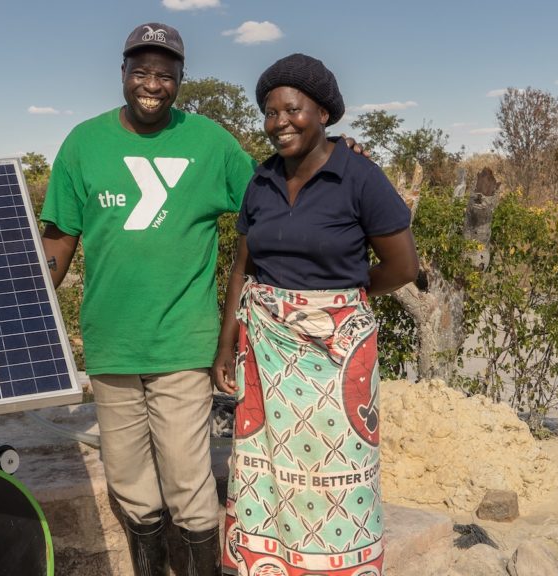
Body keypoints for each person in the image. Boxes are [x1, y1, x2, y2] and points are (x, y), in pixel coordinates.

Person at [41, 24, 365, 575]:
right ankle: (149, 561)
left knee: (188, 479)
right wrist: (22, 300)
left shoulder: (209, 142)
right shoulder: (83, 143)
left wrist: (336, 154)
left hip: (182, 340)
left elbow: (274, 191)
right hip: (110, 341)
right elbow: (61, 237)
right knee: (128, 480)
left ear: (180, 82)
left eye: (165, 76)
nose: (152, 85)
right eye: (140, 72)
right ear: (122, 74)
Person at [212, 53, 419, 576]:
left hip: (335, 353)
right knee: (266, 471)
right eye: (269, 112)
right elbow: (243, 267)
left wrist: (339, 299)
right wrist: (225, 344)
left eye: (291, 109)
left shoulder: (358, 176)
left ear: (324, 112)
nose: (279, 122)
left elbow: (403, 265)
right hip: (265, 352)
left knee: (340, 470)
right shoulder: (261, 181)